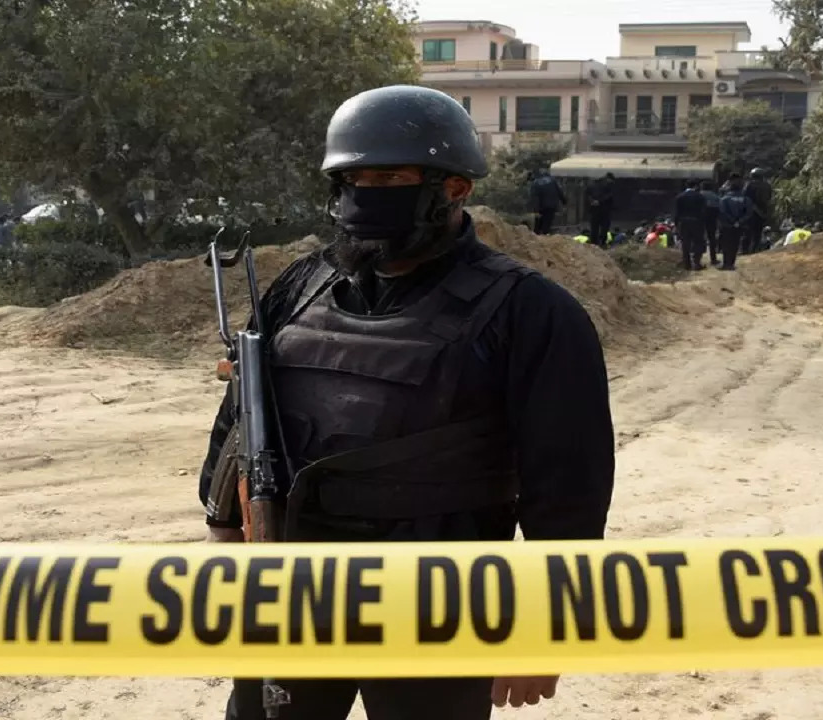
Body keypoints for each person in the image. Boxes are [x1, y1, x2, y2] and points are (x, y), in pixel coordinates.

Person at [197, 84, 615, 720]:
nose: (364, 194)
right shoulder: (303, 286)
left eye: (388, 176)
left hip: (438, 600)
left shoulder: (531, 310)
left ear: (454, 189)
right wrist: (224, 528)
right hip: (293, 585)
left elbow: (570, 487)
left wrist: (544, 628)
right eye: (351, 179)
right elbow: (243, 412)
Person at [718, 178, 753, 271]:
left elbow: (722, 212)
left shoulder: (724, 199)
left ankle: (726, 263)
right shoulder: (746, 199)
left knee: (726, 244)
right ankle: (731, 263)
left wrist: (732, 221)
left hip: (726, 226)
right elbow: (749, 213)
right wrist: (739, 222)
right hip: (740, 226)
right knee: (735, 244)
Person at [674, 179, 706, 271]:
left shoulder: (680, 197)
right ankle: (696, 263)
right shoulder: (700, 197)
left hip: (683, 222)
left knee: (685, 243)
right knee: (698, 242)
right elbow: (703, 212)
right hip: (696, 222)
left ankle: (687, 264)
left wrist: (676, 224)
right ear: (696, 186)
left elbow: (677, 213)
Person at [743, 168, 772, 255]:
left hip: (750, 212)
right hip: (762, 213)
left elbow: (745, 197)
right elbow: (769, 198)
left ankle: (745, 250)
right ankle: (754, 250)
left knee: (747, 232)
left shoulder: (749, 185)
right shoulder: (767, 185)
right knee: (758, 233)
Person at [528, 169, 567, 235]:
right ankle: (545, 235)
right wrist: (564, 202)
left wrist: (536, 211)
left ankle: (537, 237)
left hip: (541, 207)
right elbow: (560, 192)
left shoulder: (535, 184)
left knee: (538, 224)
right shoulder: (552, 180)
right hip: (552, 205)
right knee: (547, 223)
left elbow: (534, 199)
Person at [585, 172, 616, 247]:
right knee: (604, 226)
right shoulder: (608, 184)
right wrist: (599, 201)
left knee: (594, 227)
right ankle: (602, 242)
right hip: (604, 209)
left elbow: (586, 194)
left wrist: (592, 201)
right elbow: (610, 196)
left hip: (594, 209)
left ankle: (594, 243)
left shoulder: (591, 184)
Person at [700, 180, 721, 266]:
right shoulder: (715, 196)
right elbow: (720, 208)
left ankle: (698, 259)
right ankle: (713, 259)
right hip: (712, 218)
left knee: (699, 238)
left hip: (700, 218)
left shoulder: (698, 195)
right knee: (712, 239)